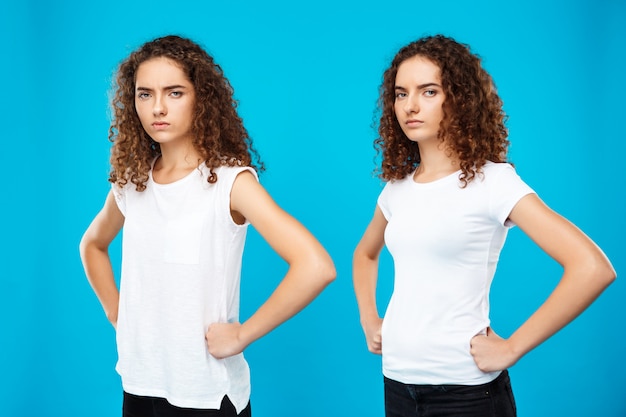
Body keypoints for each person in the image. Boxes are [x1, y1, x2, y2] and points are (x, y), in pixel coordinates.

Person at [352, 34, 616, 417]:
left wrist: (512, 348)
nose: (410, 106)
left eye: (428, 92)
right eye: (400, 93)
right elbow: (365, 254)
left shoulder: (493, 183)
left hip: (466, 395)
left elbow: (592, 268)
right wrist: (369, 319)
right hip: (397, 385)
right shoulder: (396, 190)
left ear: (457, 99)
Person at [79, 35, 336, 417]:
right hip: (139, 383)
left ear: (201, 98)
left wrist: (243, 334)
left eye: (175, 92)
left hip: (206, 394)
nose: (158, 107)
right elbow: (92, 245)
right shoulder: (131, 183)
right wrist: (118, 314)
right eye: (145, 94)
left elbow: (316, 266)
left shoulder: (230, 183)